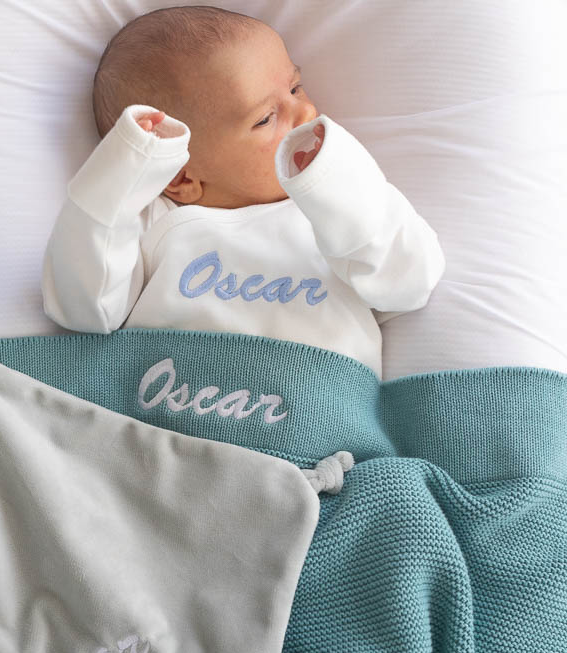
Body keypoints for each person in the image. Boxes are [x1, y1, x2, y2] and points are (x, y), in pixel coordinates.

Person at [42, 5, 445, 378]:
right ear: (182, 179)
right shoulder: (152, 221)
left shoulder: (344, 211)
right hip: (164, 422)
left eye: (295, 88)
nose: (304, 113)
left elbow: (408, 284)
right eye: (267, 118)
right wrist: (120, 173)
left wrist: (338, 184)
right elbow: (84, 310)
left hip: (322, 423)